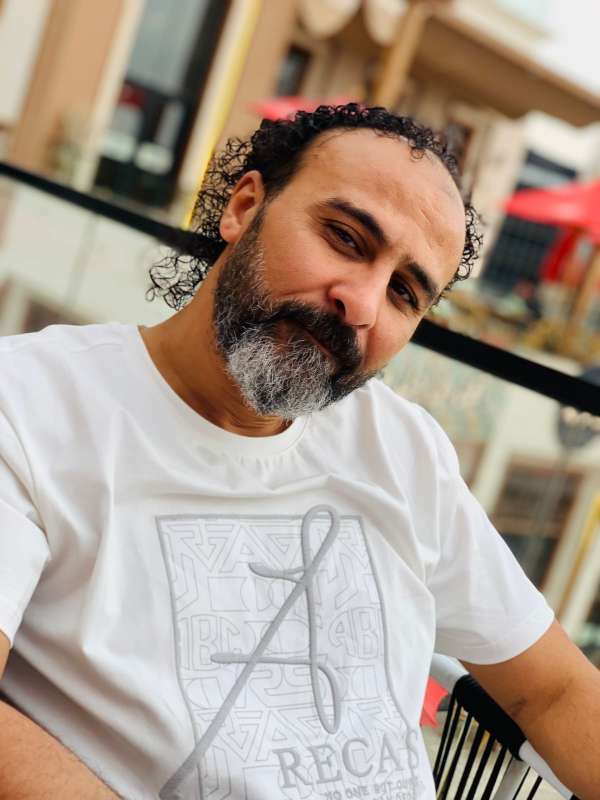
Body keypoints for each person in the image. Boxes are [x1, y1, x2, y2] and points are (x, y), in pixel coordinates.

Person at [0, 104, 598, 800]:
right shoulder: (32, 405)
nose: (362, 305)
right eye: (345, 238)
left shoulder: (402, 447)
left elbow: (551, 690)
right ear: (244, 207)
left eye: (404, 293)